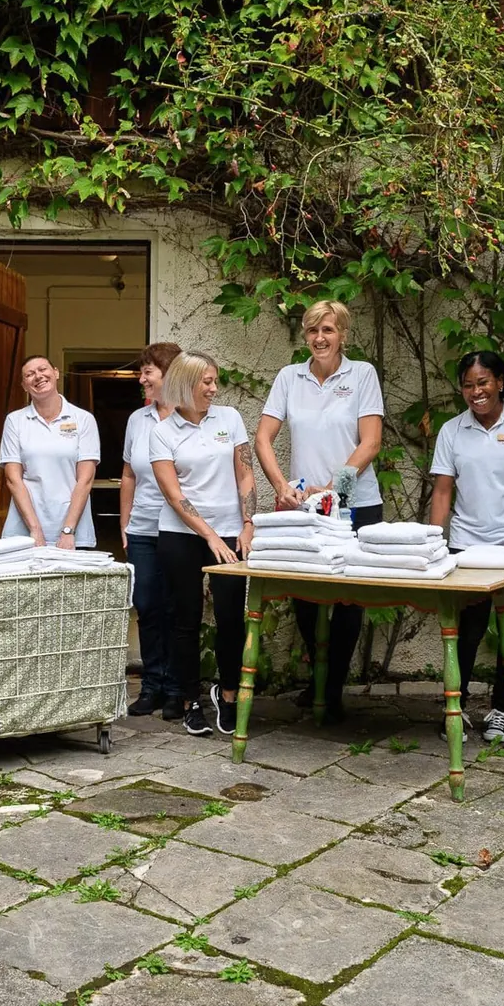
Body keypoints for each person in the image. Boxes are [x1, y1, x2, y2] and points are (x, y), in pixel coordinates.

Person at [254, 300, 384, 724]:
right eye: (312, 331)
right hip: (305, 509)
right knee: (306, 598)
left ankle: (332, 685)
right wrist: (280, 486)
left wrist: (335, 490)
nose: (320, 338)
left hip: (357, 503)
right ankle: (319, 676)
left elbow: (370, 442)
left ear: (343, 334)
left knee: (350, 598)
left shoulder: (361, 374)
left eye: (328, 329)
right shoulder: (289, 377)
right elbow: (263, 439)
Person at [429, 351, 504, 744]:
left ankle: (502, 710)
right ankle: (458, 706)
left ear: (500, 381)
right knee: (467, 629)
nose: (475, 391)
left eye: (483, 382)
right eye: (468, 384)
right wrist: (434, 541)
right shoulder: (452, 431)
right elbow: (443, 491)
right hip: (468, 547)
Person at [150, 351, 256, 737]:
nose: (214, 388)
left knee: (231, 617)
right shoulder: (162, 432)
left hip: (230, 532)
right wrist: (209, 535)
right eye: (206, 382)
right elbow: (174, 495)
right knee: (185, 619)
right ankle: (189, 700)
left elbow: (245, 474)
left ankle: (228, 696)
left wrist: (247, 523)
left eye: (215, 381)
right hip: (182, 536)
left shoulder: (230, 419)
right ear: (185, 384)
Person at [120, 342, 182, 719]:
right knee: (146, 605)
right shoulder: (136, 420)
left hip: (180, 531)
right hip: (142, 528)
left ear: (169, 375)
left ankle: (177, 688)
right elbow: (128, 474)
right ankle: (152, 685)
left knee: (177, 608)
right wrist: (125, 524)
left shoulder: (190, 418)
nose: (141, 379)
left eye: (148, 372)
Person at [0, 355, 100, 548]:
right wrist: (35, 530)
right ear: (24, 385)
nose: (38, 376)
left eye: (43, 369)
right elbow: (13, 479)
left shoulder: (83, 419)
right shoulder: (15, 421)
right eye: (30, 374)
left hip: (75, 533)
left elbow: (85, 480)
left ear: (56, 373)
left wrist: (68, 530)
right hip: (24, 532)